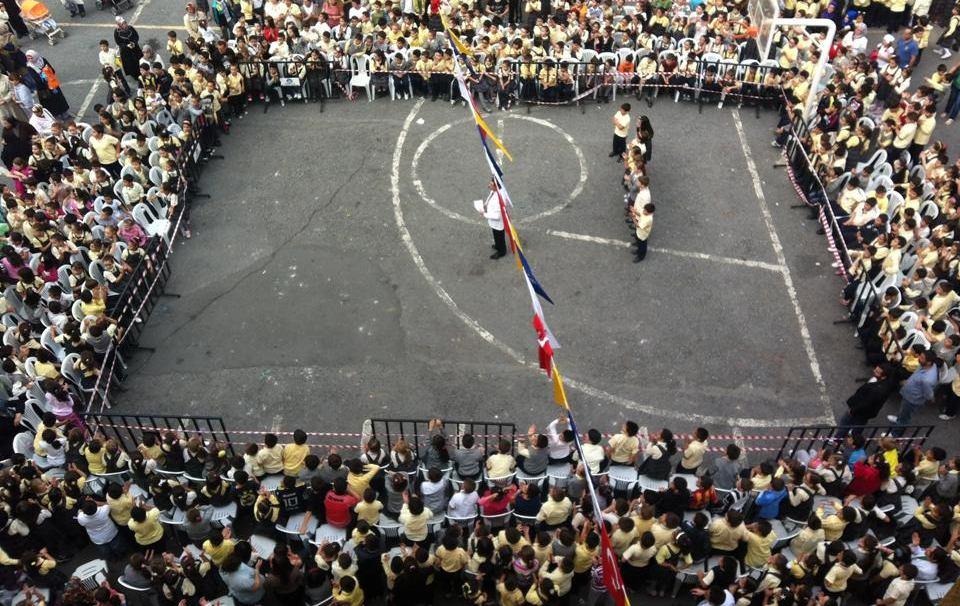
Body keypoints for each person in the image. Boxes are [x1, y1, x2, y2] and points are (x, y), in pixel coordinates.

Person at [477, 179, 506, 260]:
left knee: (499, 236)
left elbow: (497, 216)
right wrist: (485, 205)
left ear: (496, 187)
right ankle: (497, 245)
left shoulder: (498, 200)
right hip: (494, 223)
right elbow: (489, 198)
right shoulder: (494, 192)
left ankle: (502, 251)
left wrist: (484, 214)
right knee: (496, 235)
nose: (488, 185)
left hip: (498, 223)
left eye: (491, 184)